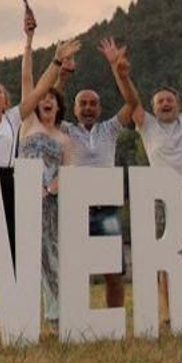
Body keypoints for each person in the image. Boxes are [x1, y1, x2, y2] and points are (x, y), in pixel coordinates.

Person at [0, 3, 75, 311]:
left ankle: (15, 315)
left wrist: (57, 59)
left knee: (11, 249)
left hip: (8, 184)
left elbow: (41, 87)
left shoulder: (13, 118)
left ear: (6, 100)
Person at [104, 31, 182, 327]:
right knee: (165, 260)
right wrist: (117, 70)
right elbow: (130, 100)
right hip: (162, 200)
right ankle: (169, 314)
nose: (164, 104)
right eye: (159, 102)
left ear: (179, 103)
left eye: (169, 99)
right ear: (154, 108)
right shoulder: (146, 126)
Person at [15, 18, 78, 326]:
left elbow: (69, 171)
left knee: (51, 257)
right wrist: (29, 41)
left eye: (52, 99)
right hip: (23, 198)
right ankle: (21, 315)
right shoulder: (27, 125)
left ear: (58, 106)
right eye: (43, 99)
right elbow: (29, 79)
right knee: (22, 257)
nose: (47, 101)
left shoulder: (65, 138)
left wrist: (52, 188)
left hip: (51, 204)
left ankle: (55, 315)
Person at [62, 81, 129, 314]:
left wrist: (118, 73)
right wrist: (61, 75)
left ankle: (114, 321)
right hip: (76, 210)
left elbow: (132, 104)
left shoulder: (110, 129)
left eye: (93, 104)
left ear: (99, 109)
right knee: (73, 269)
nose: (88, 108)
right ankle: (76, 319)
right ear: (75, 108)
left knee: (113, 270)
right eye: (83, 104)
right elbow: (50, 105)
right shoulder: (66, 130)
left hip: (107, 209)